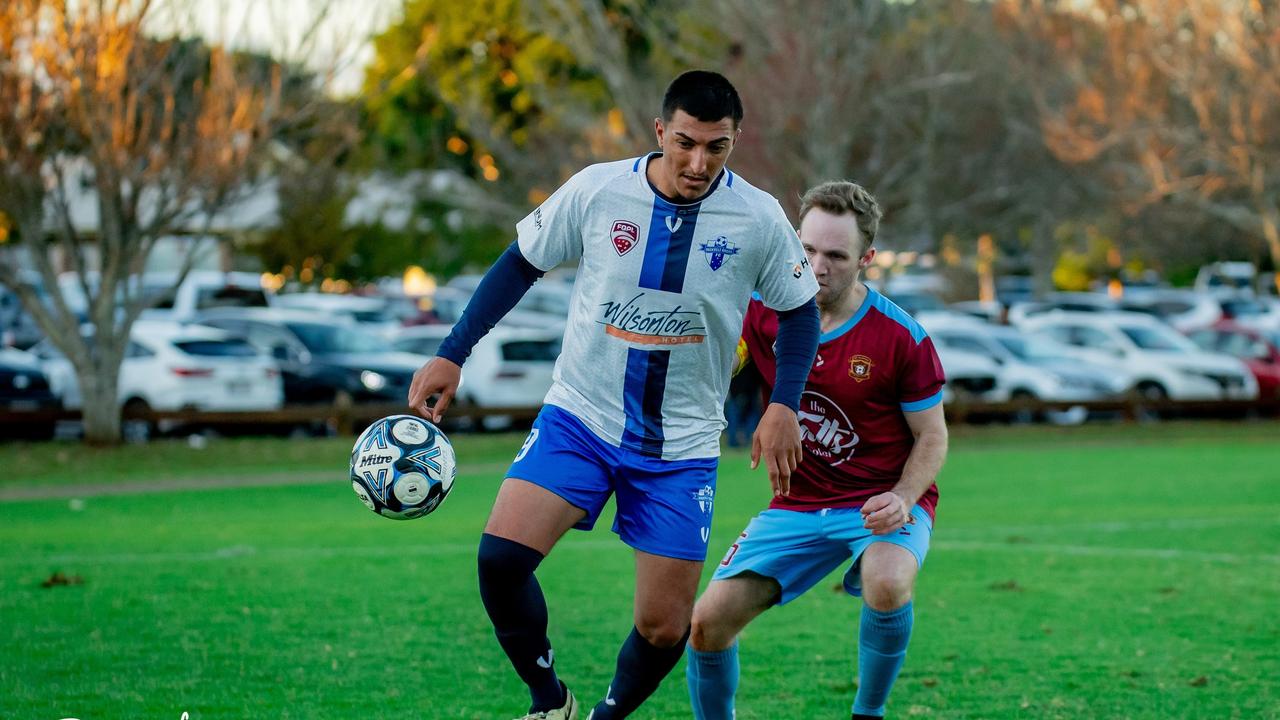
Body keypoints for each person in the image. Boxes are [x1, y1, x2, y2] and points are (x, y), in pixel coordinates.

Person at [407, 70, 820, 720]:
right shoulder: (599, 191)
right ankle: (551, 702)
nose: (697, 161)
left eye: (716, 147)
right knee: (500, 560)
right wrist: (452, 352)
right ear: (660, 131)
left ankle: (602, 717)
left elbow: (800, 311)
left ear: (736, 141)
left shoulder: (759, 218)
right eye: (685, 142)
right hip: (582, 419)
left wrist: (783, 404)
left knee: (663, 628)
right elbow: (519, 263)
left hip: (680, 446)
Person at [685, 181, 949, 720]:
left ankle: (867, 714)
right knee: (706, 626)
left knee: (888, 580)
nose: (817, 266)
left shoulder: (901, 338)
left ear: (866, 259)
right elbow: (716, 357)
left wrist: (902, 497)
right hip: (797, 506)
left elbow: (933, 436)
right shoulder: (760, 313)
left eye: (835, 255)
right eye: (806, 250)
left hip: (880, 503)